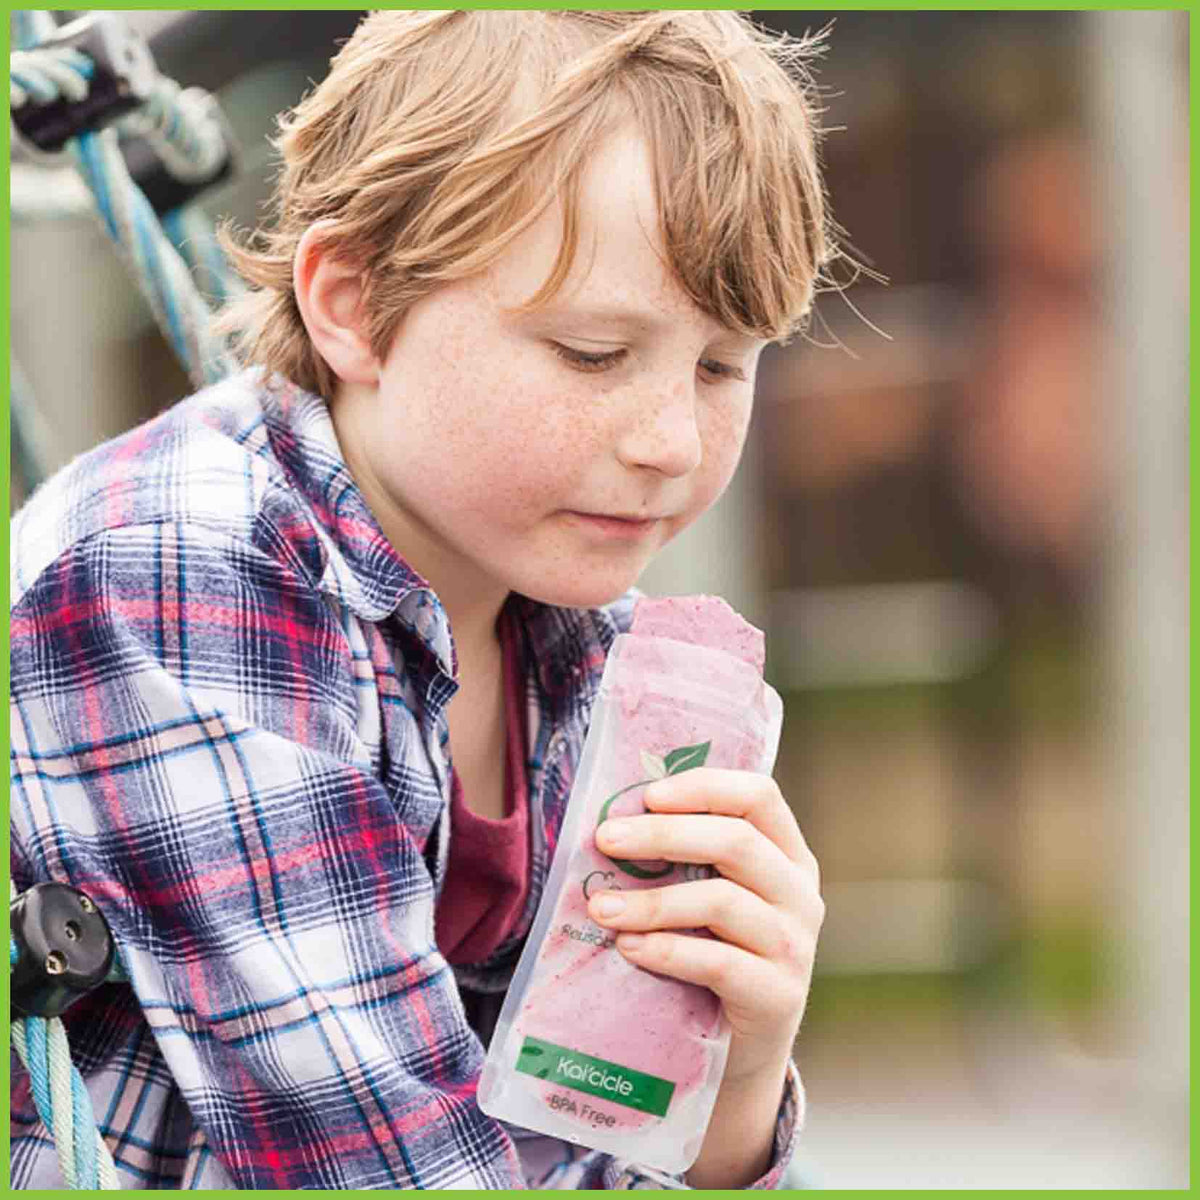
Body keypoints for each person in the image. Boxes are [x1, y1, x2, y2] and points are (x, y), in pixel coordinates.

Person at [10, 10, 831, 1189]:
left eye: (720, 366)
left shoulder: (580, 638)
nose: (668, 441)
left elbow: (579, 1143)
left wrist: (736, 1094)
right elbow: (372, 1164)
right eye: (595, 354)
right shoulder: (183, 560)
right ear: (351, 304)